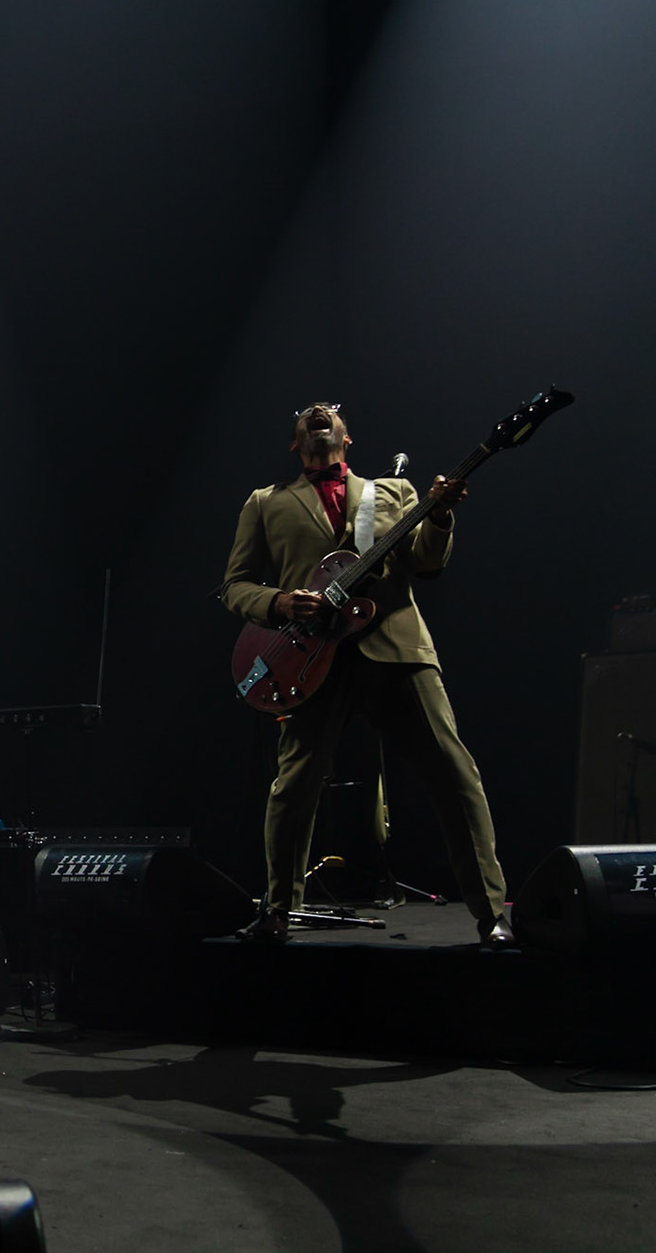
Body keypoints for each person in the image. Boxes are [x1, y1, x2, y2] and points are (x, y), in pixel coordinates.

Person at [220, 405, 514, 948]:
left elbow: (426, 563)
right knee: (294, 786)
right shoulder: (267, 502)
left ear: (346, 437)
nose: (317, 414)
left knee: (453, 773)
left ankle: (492, 913)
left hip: (395, 647)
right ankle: (279, 911)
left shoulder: (393, 493)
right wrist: (282, 601)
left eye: (329, 413)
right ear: (295, 442)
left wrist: (442, 516)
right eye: (306, 415)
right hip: (309, 657)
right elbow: (235, 586)